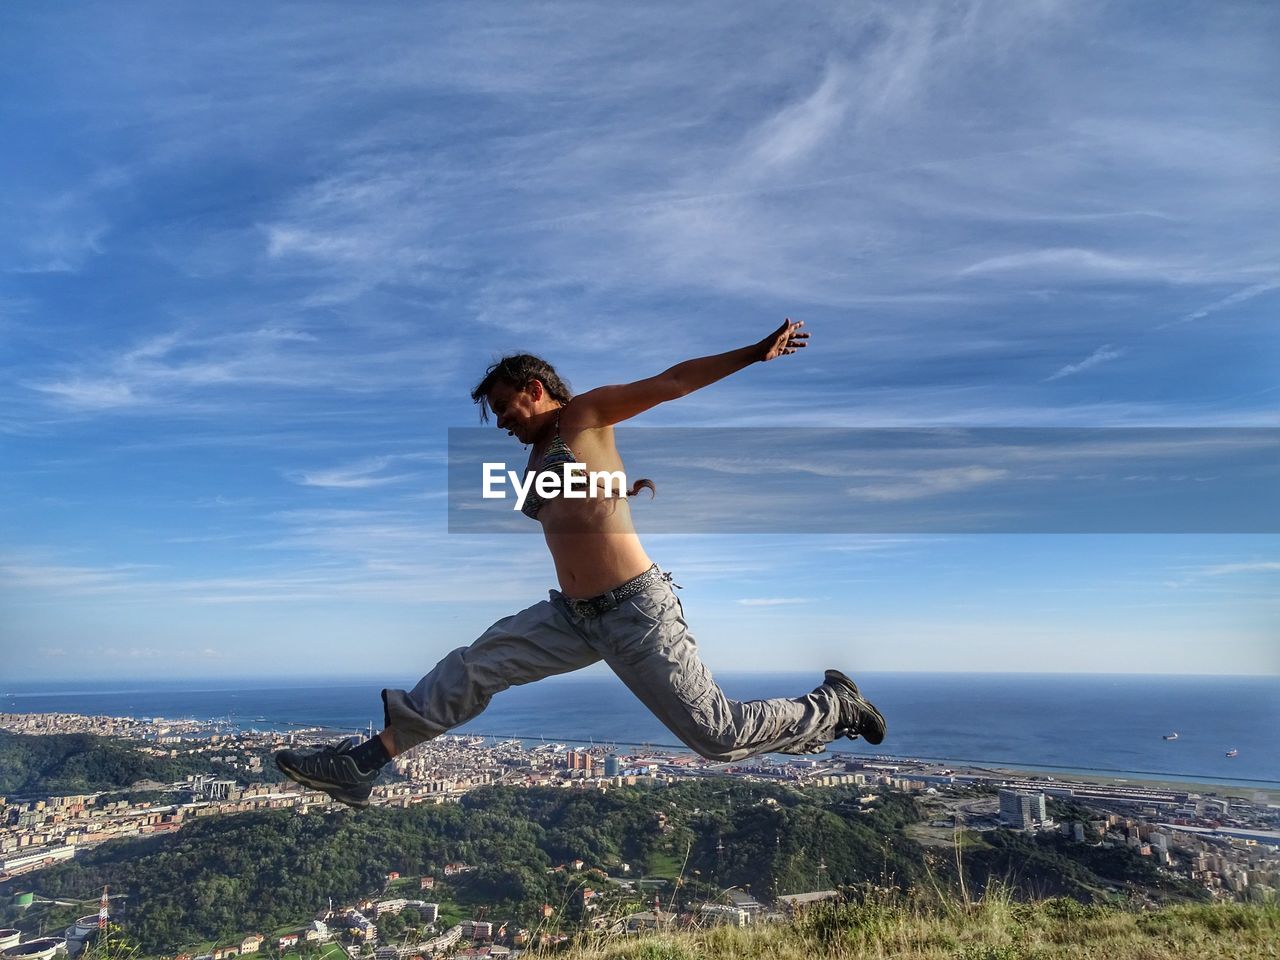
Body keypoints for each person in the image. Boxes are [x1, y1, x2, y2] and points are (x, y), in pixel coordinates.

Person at [275, 319, 885, 808]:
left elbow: (672, 381)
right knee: (474, 668)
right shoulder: (538, 458)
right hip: (571, 617)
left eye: (507, 410)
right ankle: (362, 764)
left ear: (535, 389)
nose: (505, 425)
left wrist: (753, 352)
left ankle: (835, 705)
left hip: (635, 612)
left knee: (715, 736)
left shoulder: (584, 415)